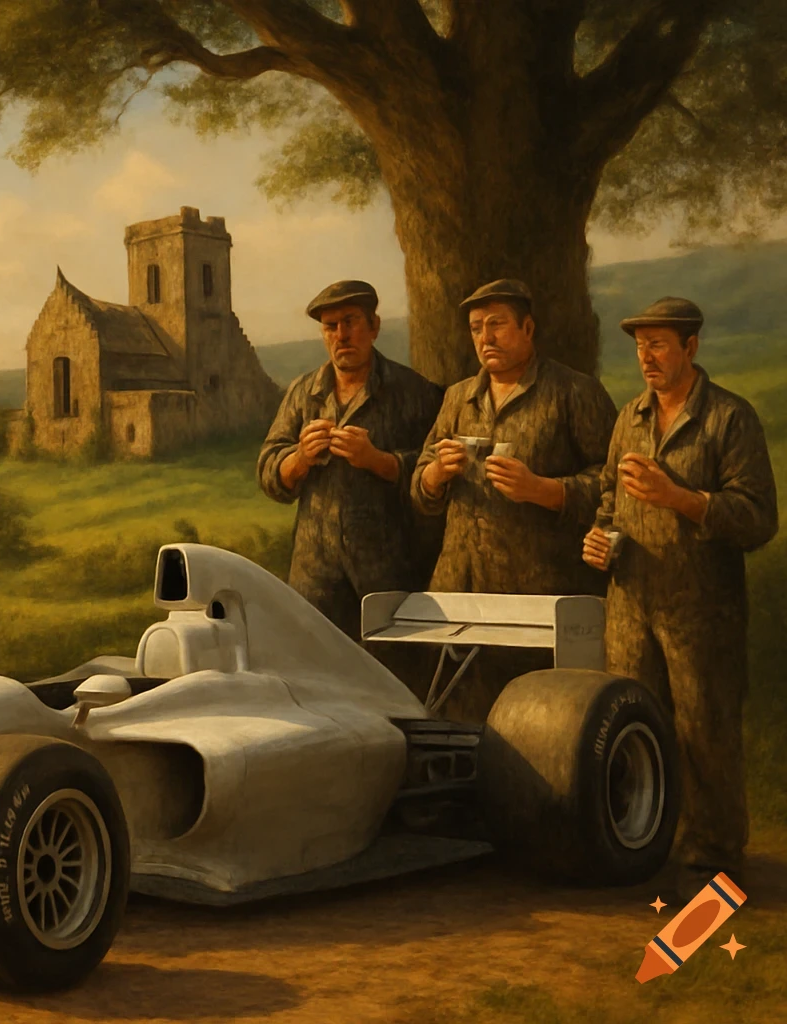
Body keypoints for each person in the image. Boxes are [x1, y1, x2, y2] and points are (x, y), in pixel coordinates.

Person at [582, 297, 777, 887]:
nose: (646, 356)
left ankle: (715, 856)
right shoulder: (629, 418)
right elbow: (609, 499)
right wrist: (602, 537)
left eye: (659, 343)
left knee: (703, 728)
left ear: (691, 347)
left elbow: (758, 518)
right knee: (634, 724)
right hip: (630, 602)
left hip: (702, 608)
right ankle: (646, 840)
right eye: (640, 345)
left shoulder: (729, 419)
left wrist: (680, 499)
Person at [411, 279, 616, 718]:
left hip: (539, 598)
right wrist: (435, 474)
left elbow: (611, 484)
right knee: (456, 718)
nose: (486, 337)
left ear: (527, 328)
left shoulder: (574, 393)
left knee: (540, 723)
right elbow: (420, 489)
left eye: (497, 324)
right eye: (476, 328)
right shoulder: (458, 397)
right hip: (460, 595)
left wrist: (543, 490)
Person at [258, 280, 443, 639]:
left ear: (373, 327)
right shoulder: (303, 392)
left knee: (393, 670)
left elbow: (436, 478)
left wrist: (377, 460)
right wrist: (299, 458)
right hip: (314, 572)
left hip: (387, 570)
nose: (341, 334)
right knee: (316, 664)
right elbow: (268, 470)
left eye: (351, 321)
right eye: (331, 326)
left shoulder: (415, 392)